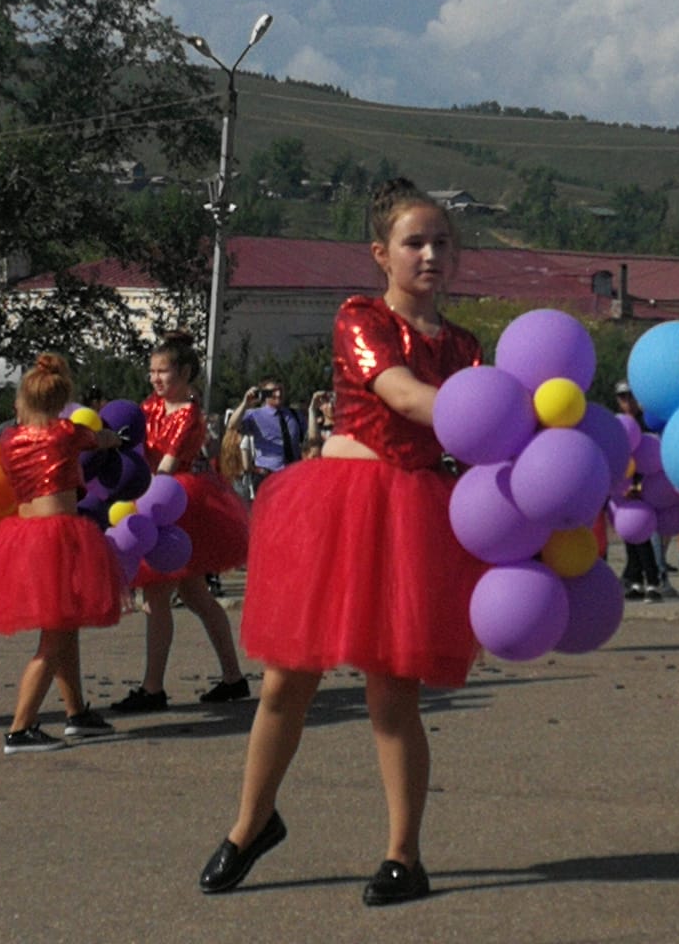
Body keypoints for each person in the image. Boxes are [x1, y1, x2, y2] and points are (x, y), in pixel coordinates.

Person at [198, 178, 487, 905]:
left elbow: (476, 441)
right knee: (285, 683)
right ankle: (250, 823)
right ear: (380, 254)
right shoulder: (361, 318)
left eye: (441, 242)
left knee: (394, 695)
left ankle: (404, 855)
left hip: (413, 517)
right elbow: (401, 396)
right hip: (338, 510)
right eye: (414, 242)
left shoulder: (463, 346)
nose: (429, 254)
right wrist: (497, 410)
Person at [0, 354, 123, 753]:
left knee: (63, 625)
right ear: (60, 401)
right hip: (60, 539)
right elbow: (100, 439)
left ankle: (76, 713)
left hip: (23, 537)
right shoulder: (66, 433)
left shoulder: (9, 439)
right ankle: (21, 728)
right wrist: (114, 438)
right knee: (53, 637)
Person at [112, 331, 250, 713]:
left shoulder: (190, 414)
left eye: (164, 372)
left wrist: (138, 501)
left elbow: (169, 465)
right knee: (194, 596)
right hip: (155, 497)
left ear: (185, 373)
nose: (156, 379)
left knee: (159, 595)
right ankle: (233, 677)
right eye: (152, 371)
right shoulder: (149, 407)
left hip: (174, 503)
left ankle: (153, 688)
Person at [614, 380, 665, 602]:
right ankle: (635, 579)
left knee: (643, 536)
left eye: (631, 397)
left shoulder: (646, 424)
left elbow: (651, 457)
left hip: (646, 488)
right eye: (623, 398)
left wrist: (641, 486)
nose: (628, 402)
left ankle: (653, 582)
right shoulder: (617, 426)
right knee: (629, 535)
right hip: (624, 491)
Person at [226, 377, 303, 493]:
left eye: (281, 390)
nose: (278, 394)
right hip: (267, 475)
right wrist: (245, 403)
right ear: (264, 394)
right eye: (273, 392)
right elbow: (232, 425)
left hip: (292, 474)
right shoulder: (255, 415)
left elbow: (309, 439)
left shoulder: (295, 415)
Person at [302, 389, 335, 459]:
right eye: (326, 402)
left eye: (334, 401)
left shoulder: (347, 427)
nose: (330, 406)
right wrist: (312, 410)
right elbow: (311, 451)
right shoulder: (316, 427)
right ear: (319, 406)